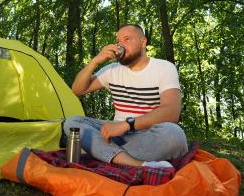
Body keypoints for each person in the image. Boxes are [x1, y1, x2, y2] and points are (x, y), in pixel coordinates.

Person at [64, 24, 187, 167]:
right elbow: (77, 90)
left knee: (174, 135)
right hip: (115, 136)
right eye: (118, 41)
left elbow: (171, 112)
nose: (119, 45)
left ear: (143, 42)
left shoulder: (164, 68)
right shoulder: (111, 70)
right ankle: (135, 163)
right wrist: (95, 61)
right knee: (72, 123)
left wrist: (127, 124)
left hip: (146, 136)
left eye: (127, 39)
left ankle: (103, 154)